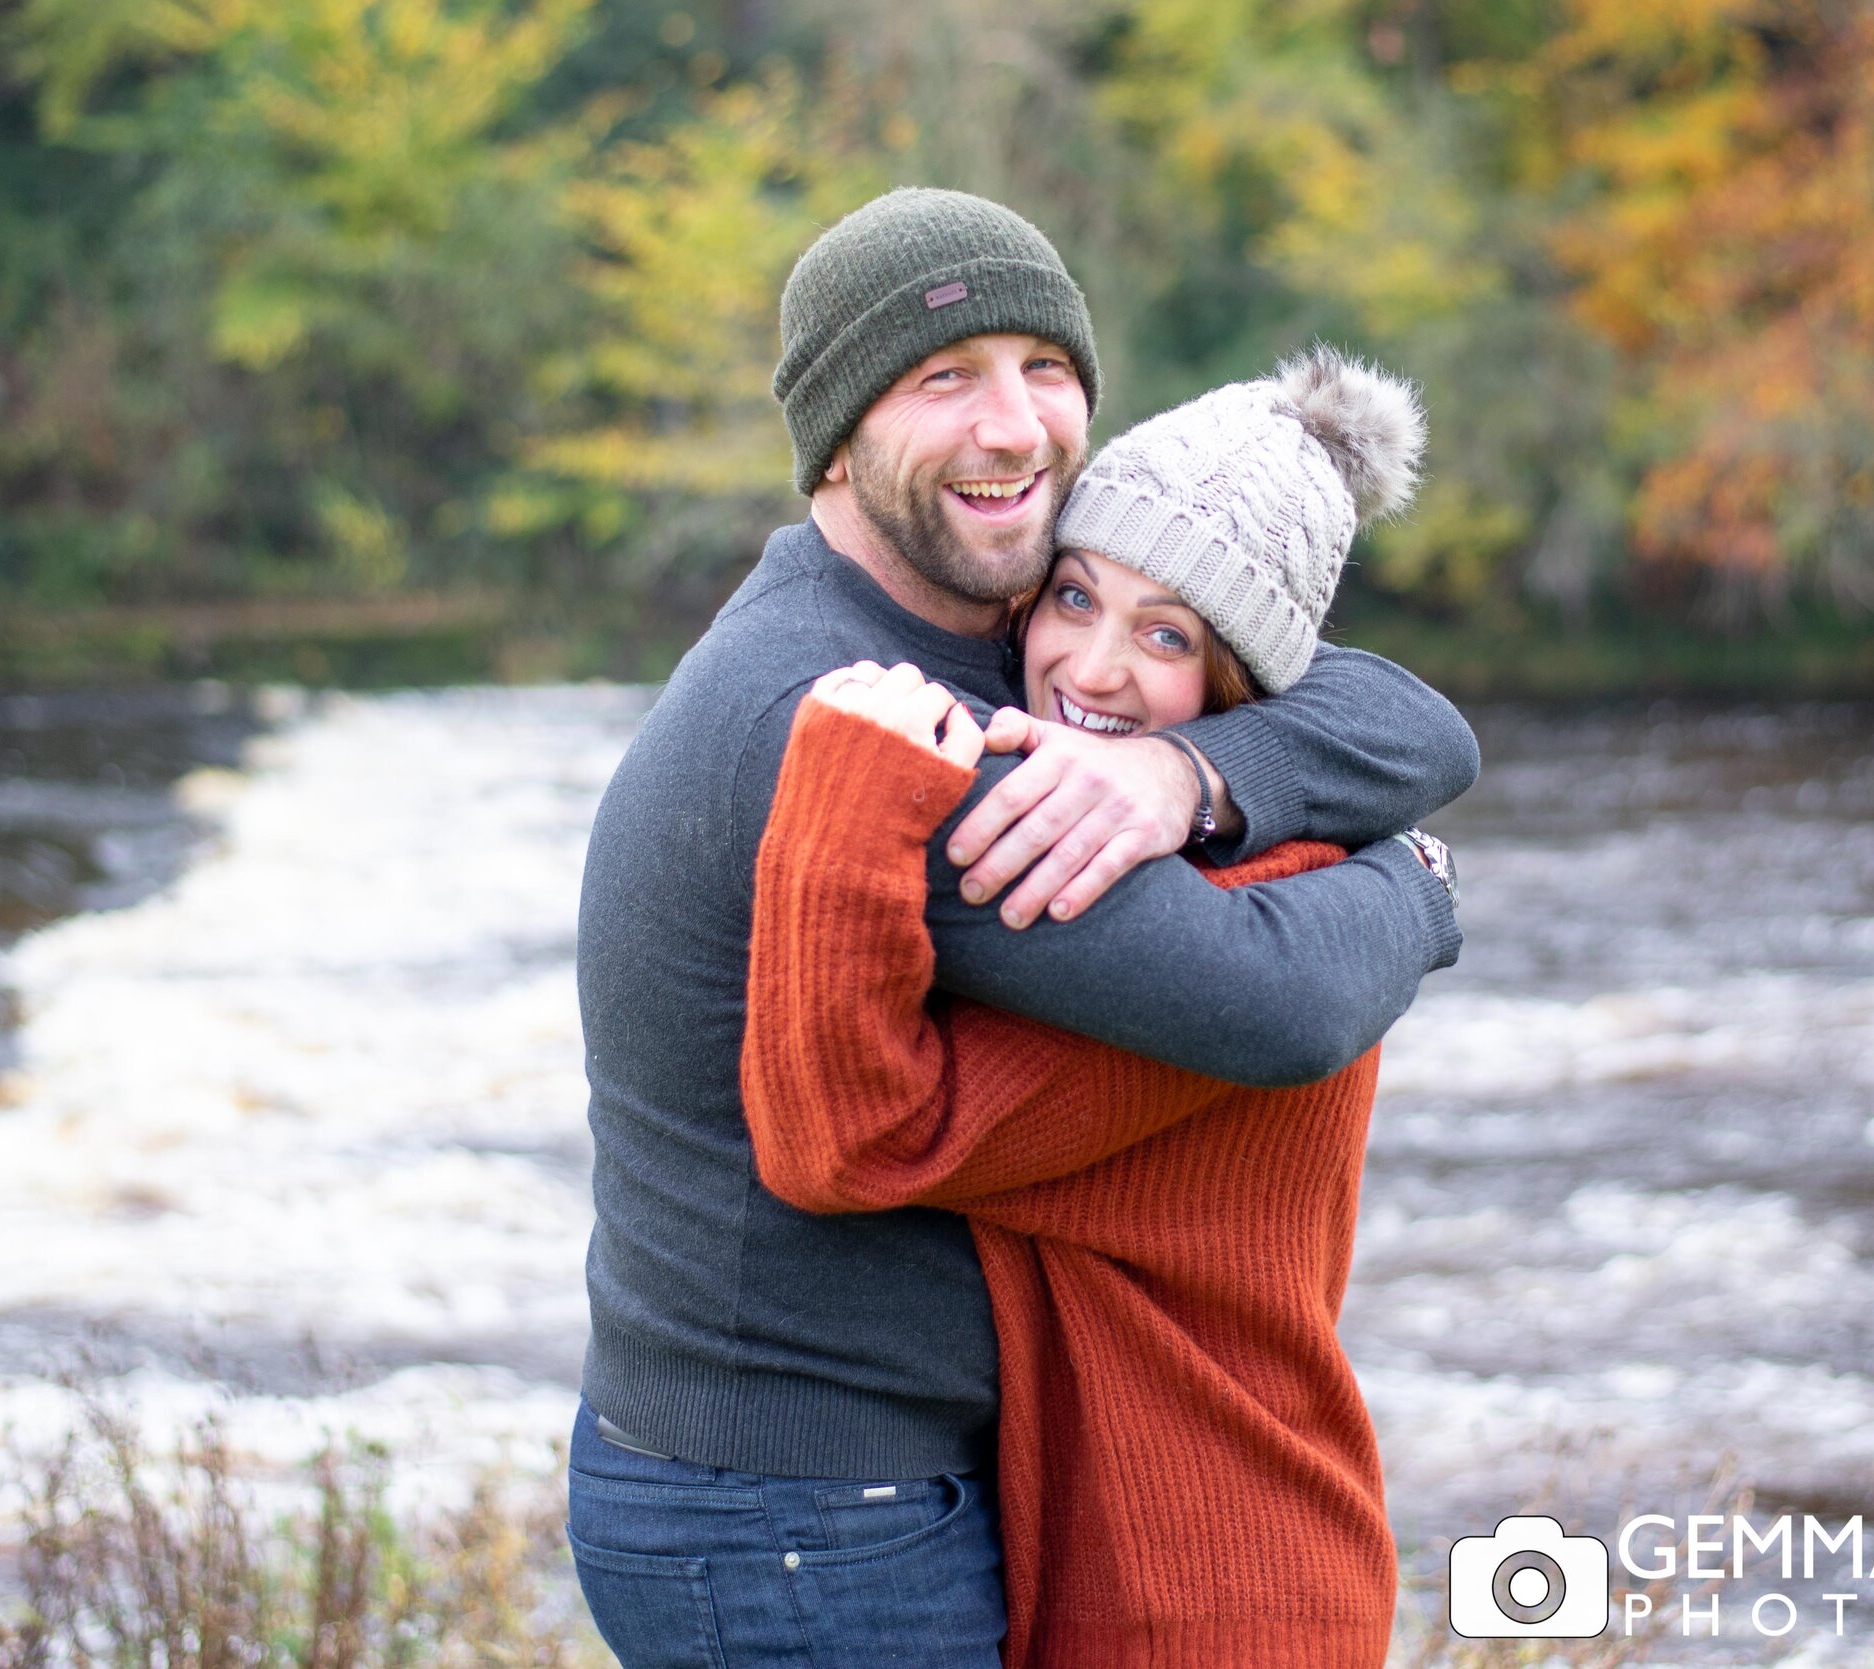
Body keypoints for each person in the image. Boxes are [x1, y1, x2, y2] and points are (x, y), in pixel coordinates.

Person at [568, 188, 1475, 1668]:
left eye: (1044, 369)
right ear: (838, 435)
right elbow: (1268, 1003)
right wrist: (1420, 887)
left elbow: (1406, 714)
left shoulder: (997, 627)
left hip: (831, 1482)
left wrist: (1192, 770)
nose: (1015, 427)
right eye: (945, 380)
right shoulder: (856, 718)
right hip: (801, 1509)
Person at [740, 347, 1440, 1668]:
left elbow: (845, 1139)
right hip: (1117, 1567)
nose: (1095, 666)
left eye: (1167, 635)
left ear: (1245, 692)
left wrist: (845, 798)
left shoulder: (1221, 929)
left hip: (1213, 1599)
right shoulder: (1156, 848)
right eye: (1075, 596)